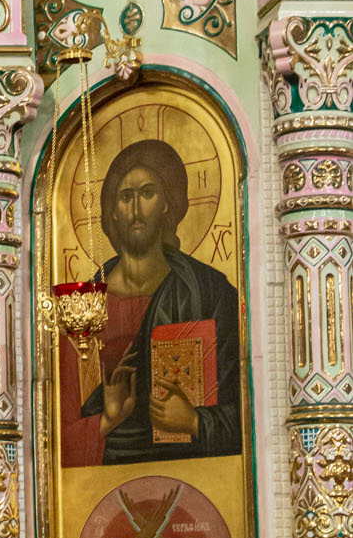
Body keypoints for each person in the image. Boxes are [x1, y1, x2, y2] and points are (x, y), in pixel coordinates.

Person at [61, 138, 241, 467]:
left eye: (147, 193)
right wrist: (108, 418)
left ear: (167, 203)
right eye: (125, 197)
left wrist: (195, 421)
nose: (135, 209)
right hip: (108, 470)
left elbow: (247, 407)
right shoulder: (82, 307)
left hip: (193, 469)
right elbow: (56, 434)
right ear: (112, 211)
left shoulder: (210, 292)